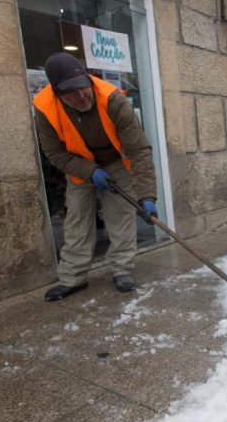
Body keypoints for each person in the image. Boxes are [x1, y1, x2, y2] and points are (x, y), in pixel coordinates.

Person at [33, 52, 158, 301]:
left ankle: (122, 270)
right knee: (77, 219)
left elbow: (139, 151)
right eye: (70, 93)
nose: (80, 96)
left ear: (88, 79)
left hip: (116, 162)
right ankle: (73, 278)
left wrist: (147, 195)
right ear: (57, 92)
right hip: (78, 164)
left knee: (120, 215)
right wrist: (90, 171)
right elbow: (54, 154)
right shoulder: (44, 109)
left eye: (82, 88)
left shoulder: (113, 100)